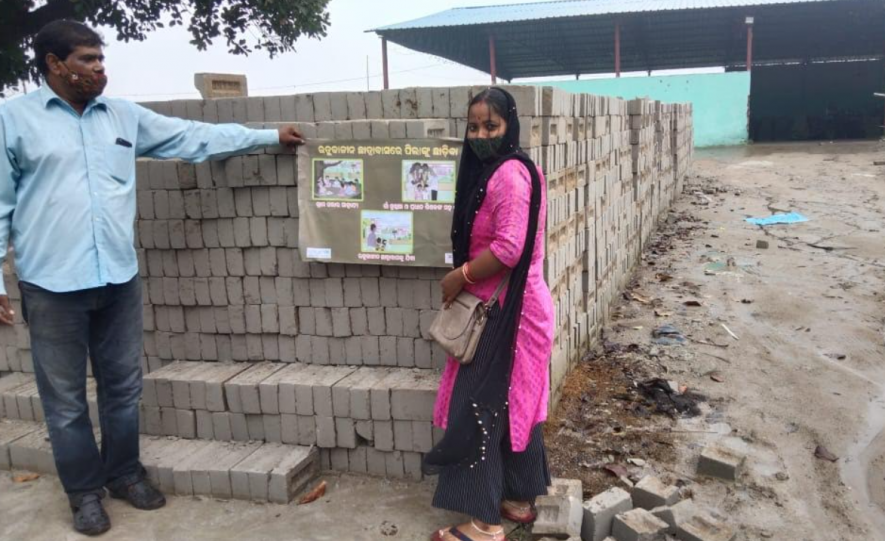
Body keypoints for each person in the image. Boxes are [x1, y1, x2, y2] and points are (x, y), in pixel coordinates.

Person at [0, 20, 304, 537]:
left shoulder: (121, 115)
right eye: (86, 60)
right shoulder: (14, 121)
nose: (99, 69)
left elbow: (193, 137)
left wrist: (266, 135)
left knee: (122, 387)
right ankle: (84, 493)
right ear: (54, 64)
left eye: (101, 59)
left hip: (117, 279)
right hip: (51, 286)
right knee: (66, 400)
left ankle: (124, 475)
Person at [425, 87, 554, 541]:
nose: (480, 135)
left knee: (479, 409)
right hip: (514, 308)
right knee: (515, 406)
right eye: (473, 126)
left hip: (503, 315)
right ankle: (517, 498)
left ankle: (483, 524)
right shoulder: (517, 169)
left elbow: (508, 248)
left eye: (491, 126)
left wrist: (459, 275)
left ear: (510, 126)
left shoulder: (507, 177)